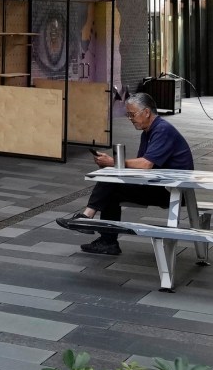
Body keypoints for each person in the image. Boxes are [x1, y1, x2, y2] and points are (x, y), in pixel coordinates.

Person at [57, 92, 195, 257]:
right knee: (111, 188)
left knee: (111, 181)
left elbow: (145, 164)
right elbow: (140, 166)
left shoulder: (162, 130)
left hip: (173, 191)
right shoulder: (148, 132)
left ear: (146, 112)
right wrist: (115, 166)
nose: (130, 118)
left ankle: (87, 219)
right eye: (128, 115)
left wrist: (114, 163)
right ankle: (107, 241)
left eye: (132, 114)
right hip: (160, 185)